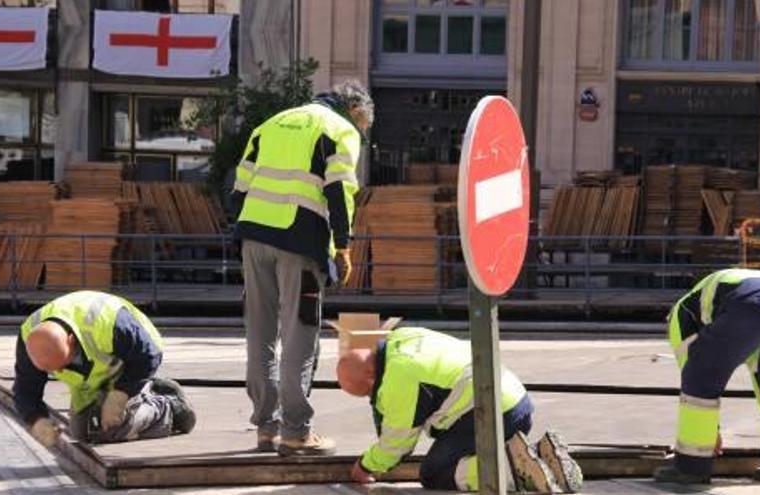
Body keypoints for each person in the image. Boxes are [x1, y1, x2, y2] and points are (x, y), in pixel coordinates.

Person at [232, 79, 373, 456]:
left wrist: (244, 231)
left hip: (253, 237)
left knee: (258, 331)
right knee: (299, 332)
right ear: (357, 112)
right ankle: (295, 431)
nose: (362, 132)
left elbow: (239, 186)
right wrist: (343, 246)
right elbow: (340, 192)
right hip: (298, 240)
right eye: (364, 125)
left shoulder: (273, 123)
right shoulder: (339, 129)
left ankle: (266, 427)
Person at [337, 327, 583, 493]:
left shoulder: (398, 380)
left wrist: (365, 466)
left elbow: (396, 446)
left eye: (367, 393)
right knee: (453, 452)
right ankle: (540, 452)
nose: (372, 398)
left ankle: (514, 470)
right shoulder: (402, 337)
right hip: (516, 400)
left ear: (370, 377)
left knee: (435, 473)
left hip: (491, 412)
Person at [654, 268, 760, 485]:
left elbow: (695, 379)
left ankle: (691, 468)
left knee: (699, 378)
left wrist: (712, 431)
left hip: (751, 305)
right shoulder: (714, 297)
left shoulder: (680, 314)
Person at [13, 291, 195, 446]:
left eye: (62, 365)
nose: (59, 373)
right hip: (95, 374)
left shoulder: (112, 325)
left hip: (134, 360)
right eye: (52, 370)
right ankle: (151, 389)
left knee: (111, 429)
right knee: (83, 431)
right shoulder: (31, 338)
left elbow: (148, 356)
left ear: (71, 340)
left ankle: (170, 408)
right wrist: (37, 420)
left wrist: (120, 395)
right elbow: (25, 389)